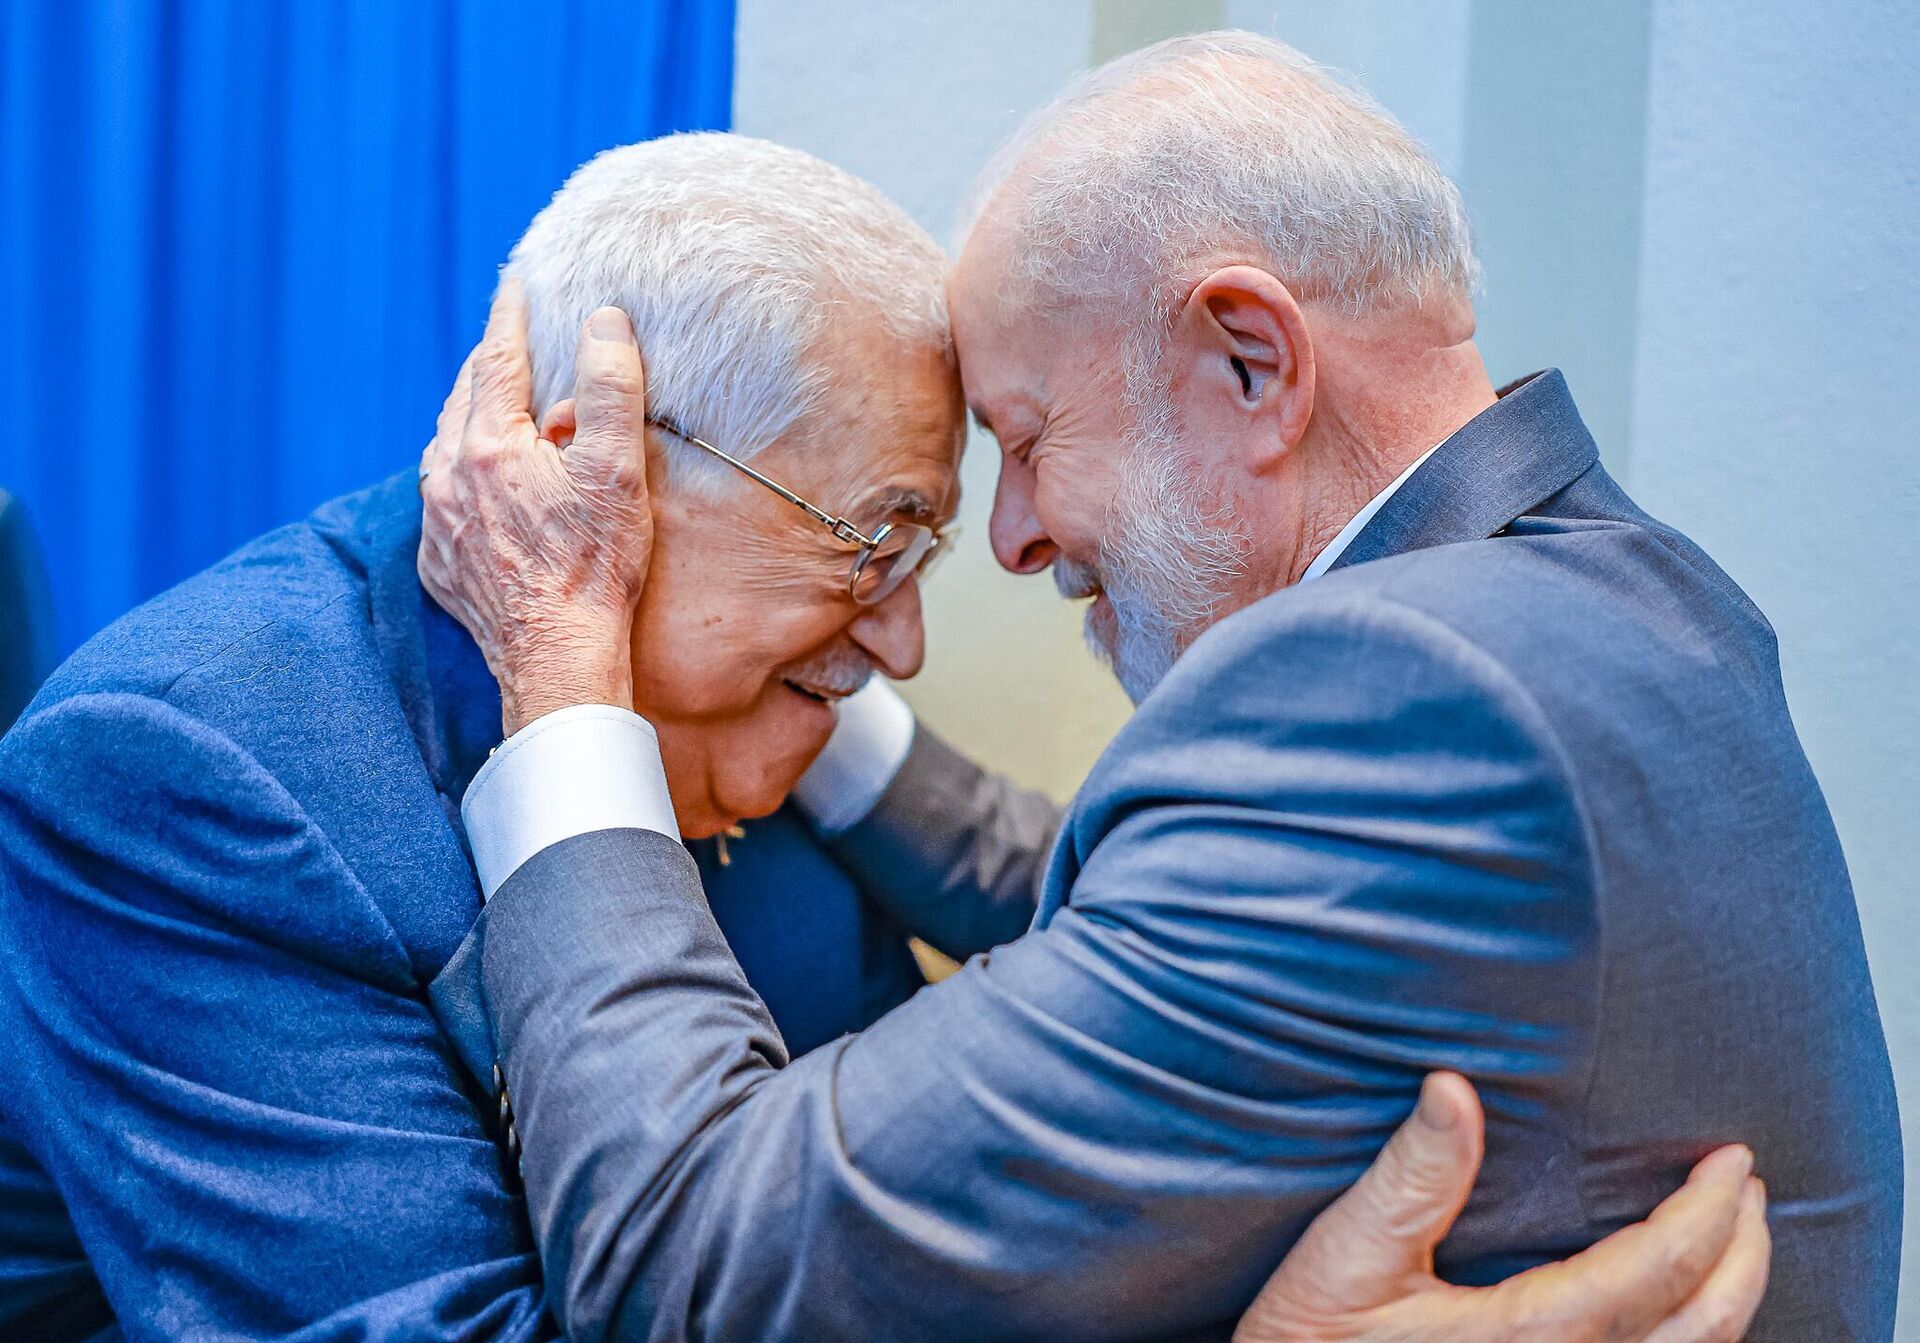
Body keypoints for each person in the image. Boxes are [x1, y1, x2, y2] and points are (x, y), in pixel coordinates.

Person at [0, 130, 1757, 1343]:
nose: (905, 634)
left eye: (923, 550)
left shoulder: (755, 725)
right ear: (591, 457)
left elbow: (968, 1168)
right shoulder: (185, 775)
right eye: (874, 540)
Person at [418, 33, 1903, 1343]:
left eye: (1027, 436)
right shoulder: (1628, 600)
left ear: (1250, 361)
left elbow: (698, 1262)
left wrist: (567, 679)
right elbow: (1134, 937)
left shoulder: (1394, 698)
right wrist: (804, 670)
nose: (1010, 540)